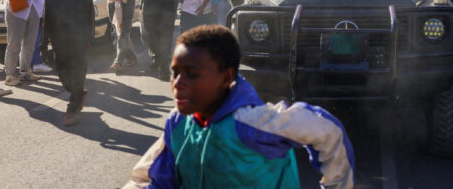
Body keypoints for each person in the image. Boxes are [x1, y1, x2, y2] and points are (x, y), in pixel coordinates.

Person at [122, 25, 354, 189]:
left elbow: (328, 131)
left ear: (226, 77)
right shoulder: (178, 122)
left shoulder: (253, 122)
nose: (178, 84)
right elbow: (152, 178)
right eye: (175, 72)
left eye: (193, 74)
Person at [40, 0, 94, 125]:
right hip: (60, 43)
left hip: (80, 42)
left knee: (78, 74)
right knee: (64, 76)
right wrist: (44, 45)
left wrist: (91, 38)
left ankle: (72, 108)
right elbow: (47, 22)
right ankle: (78, 94)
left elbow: (90, 17)